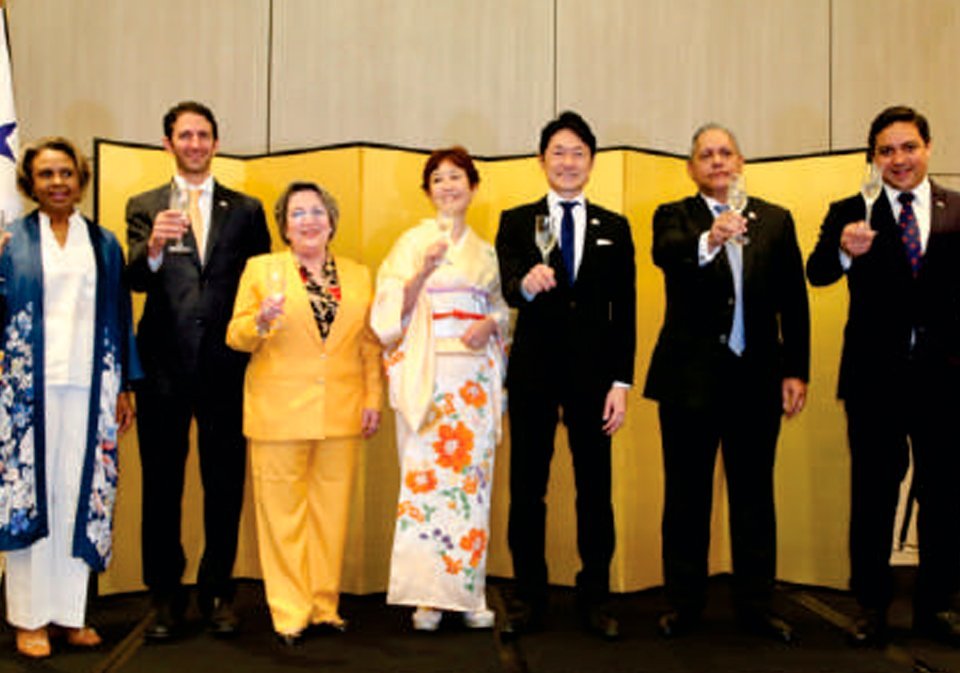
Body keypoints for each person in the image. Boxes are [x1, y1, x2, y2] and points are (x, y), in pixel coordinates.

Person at [644, 124, 809, 642]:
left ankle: (756, 606)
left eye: (725, 152)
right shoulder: (674, 217)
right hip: (689, 381)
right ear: (692, 167)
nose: (716, 161)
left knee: (755, 498)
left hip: (757, 381)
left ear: (741, 161)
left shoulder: (777, 220)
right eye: (705, 155)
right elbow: (667, 254)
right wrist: (710, 239)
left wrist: (796, 369)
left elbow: (794, 302)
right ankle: (684, 604)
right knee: (687, 498)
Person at [806, 105, 960, 648]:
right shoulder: (852, 209)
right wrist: (845, 253)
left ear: (928, 147)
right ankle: (869, 605)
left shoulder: (957, 209)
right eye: (886, 150)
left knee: (945, 495)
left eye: (908, 147)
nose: (898, 159)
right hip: (875, 379)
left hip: (945, 380)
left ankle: (937, 605)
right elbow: (816, 271)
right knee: (872, 494)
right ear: (873, 157)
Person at [126, 101, 271, 640]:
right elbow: (136, 280)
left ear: (215, 142)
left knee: (224, 486)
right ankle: (164, 598)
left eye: (203, 134)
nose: (194, 143)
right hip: (162, 371)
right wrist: (155, 245)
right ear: (168, 143)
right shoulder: (144, 205)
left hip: (226, 369)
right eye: (184, 135)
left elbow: (259, 282)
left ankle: (218, 593)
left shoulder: (247, 209)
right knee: (161, 488)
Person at [495, 111, 636, 640]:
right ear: (541, 161)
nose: (569, 161)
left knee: (594, 490)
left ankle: (594, 597)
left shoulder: (614, 227)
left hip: (595, 380)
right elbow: (508, 286)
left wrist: (621, 382)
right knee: (528, 490)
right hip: (532, 373)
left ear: (592, 163)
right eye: (559, 151)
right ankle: (529, 596)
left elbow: (625, 310)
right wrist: (526, 284)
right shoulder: (516, 220)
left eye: (579, 152)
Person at [0, 137, 140, 658]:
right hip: (23, 394)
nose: (57, 183)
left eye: (66, 173)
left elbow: (120, 316)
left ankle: (71, 615)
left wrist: (125, 384)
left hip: (91, 389)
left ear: (81, 179)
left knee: (78, 498)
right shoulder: (10, 240)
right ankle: (29, 618)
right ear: (29, 183)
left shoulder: (103, 244)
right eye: (45, 175)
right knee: (31, 498)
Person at [226, 181, 382, 645]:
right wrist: (260, 323)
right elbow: (235, 335)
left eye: (317, 210)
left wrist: (373, 398)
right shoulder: (261, 269)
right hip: (278, 413)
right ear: (284, 227)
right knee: (282, 515)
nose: (309, 220)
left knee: (331, 514)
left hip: (342, 410)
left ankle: (324, 604)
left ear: (331, 220)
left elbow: (369, 345)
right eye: (298, 213)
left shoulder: (357, 275)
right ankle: (289, 611)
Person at [371, 147, 509, 632]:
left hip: (471, 378)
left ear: (473, 187)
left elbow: (503, 310)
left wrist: (490, 324)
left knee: (470, 487)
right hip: (426, 375)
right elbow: (387, 315)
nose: (448, 186)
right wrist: (423, 272)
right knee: (424, 485)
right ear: (428, 190)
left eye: (457, 178)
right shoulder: (411, 242)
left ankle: (467, 592)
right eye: (438, 179)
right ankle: (426, 597)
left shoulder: (487, 251)